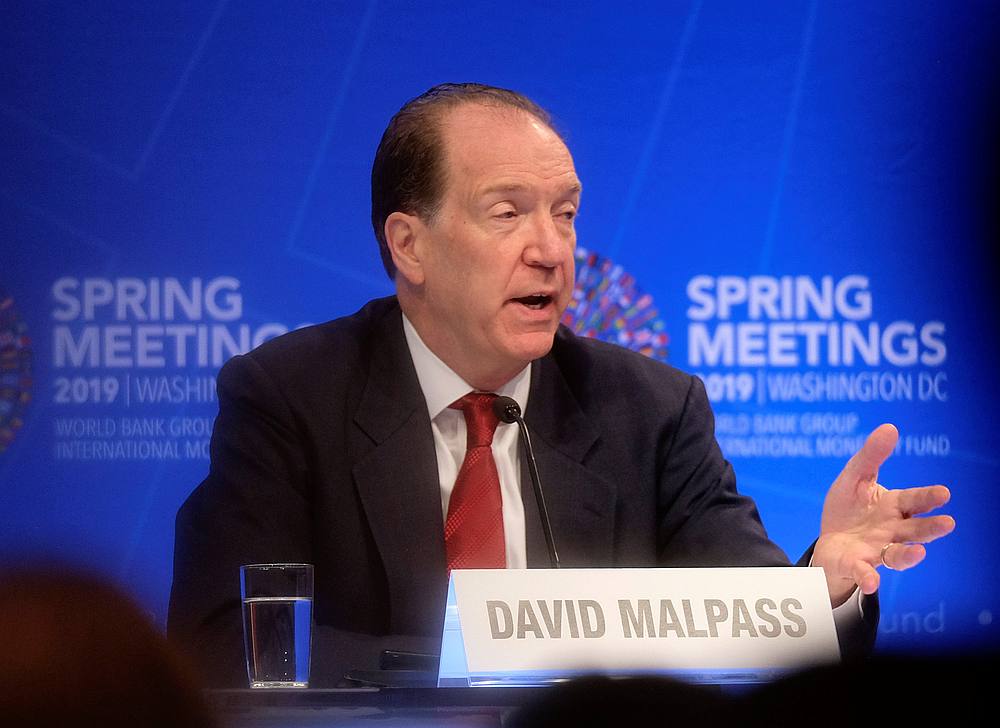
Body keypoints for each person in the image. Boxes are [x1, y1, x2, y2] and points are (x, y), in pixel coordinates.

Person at [168, 83, 954, 687]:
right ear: (409, 245)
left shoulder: (649, 409)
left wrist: (822, 588)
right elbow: (223, 644)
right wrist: (490, 651)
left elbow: (745, 610)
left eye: (567, 214)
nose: (552, 250)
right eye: (507, 213)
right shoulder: (289, 397)